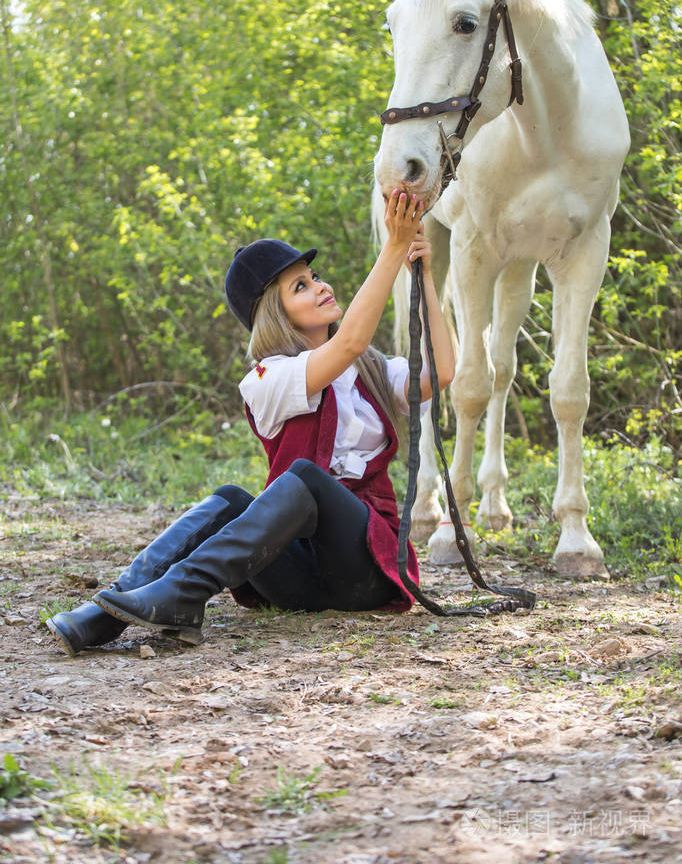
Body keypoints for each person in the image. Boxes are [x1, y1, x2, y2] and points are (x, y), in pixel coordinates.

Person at [46, 191, 455, 655]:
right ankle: (110, 608)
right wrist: (391, 248)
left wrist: (421, 273)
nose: (321, 286)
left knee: (306, 478)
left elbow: (439, 372)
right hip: (297, 579)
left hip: (365, 567)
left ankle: (179, 592)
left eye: (314, 277)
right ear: (275, 314)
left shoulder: (373, 368)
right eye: (300, 286)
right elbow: (346, 345)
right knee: (228, 500)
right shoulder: (268, 378)